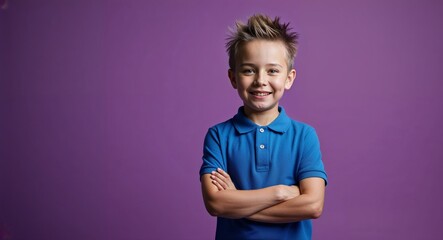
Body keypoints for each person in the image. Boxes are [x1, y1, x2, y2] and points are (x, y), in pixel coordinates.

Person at [199, 14, 328, 240]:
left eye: (272, 70)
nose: (260, 80)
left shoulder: (305, 136)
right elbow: (216, 203)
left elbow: (313, 205)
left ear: (289, 78)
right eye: (249, 70)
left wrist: (238, 201)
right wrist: (281, 193)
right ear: (233, 78)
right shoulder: (218, 135)